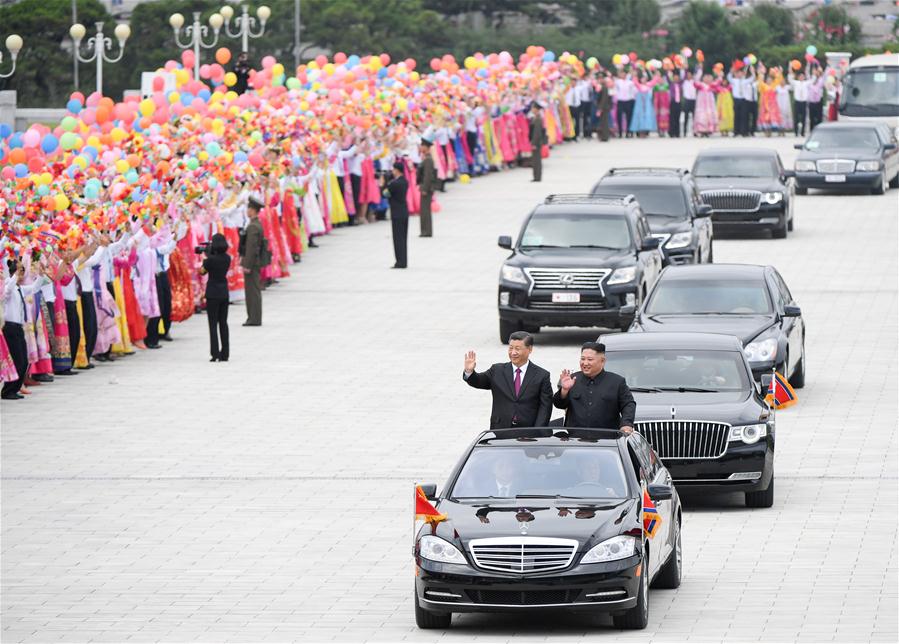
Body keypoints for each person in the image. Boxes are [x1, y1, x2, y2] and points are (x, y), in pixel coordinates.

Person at [462, 331, 553, 429]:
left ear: (529, 349)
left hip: (528, 432)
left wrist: (537, 431)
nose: (513, 352)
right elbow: (478, 381)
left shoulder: (541, 375)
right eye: (510, 348)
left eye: (517, 349)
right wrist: (469, 371)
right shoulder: (497, 370)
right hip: (501, 429)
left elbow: (546, 407)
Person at [552, 342, 636, 432]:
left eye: (590, 359)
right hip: (575, 439)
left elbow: (628, 404)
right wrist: (564, 390)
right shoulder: (572, 379)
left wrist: (626, 424)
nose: (585, 363)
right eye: (582, 359)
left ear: (602, 361)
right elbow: (559, 404)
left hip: (607, 439)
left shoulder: (617, 382)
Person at [200, 234, 231, 362]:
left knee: (213, 324)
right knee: (223, 323)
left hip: (212, 293)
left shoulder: (210, 260)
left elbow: (202, 272)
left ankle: (215, 353)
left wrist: (205, 258)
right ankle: (225, 353)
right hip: (224, 292)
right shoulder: (227, 258)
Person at [240, 196, 265, 326]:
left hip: (252, 263)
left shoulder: (253, 227)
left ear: (253, 210)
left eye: (249, 208)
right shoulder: (255, 224)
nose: (247, 211)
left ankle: (254, 318)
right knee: (253, 290)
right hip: (255, 262)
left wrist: (247, 264)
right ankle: (254, 317)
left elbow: (251, 248)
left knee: (252, 292)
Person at [385, 161, 409, 269]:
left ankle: (399, 262)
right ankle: (403, 261)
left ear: (396, 170)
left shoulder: (394, 184)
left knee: (397, 238)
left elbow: (385, 193)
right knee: (403, 238)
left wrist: (384, 183)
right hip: (404, 212)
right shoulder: (405, 182)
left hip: (396, 213)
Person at [416, 140, 436, 238]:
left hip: (426, 188)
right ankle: (425, 230)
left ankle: (426, 231)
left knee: (425, 210)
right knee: (424, 210)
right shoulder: (426, 158)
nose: (421, 148)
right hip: (425, 187)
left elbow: (428, 176)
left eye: (422, 146)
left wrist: (424, 188)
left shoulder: (428, 159)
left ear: (426, 147)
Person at [529, 103, 546, 182]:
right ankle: (536, 176)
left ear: (536, 109)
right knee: (535, 160)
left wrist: (534, 143)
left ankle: (537, 177)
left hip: (536, 142)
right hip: (535, 141)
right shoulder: (535, 118)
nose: (532, 110)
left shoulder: (538, 118)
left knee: (537, 160)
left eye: (533, 108)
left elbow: (537, 133)